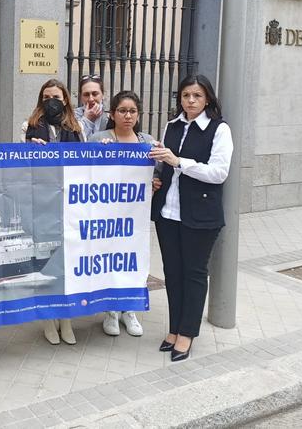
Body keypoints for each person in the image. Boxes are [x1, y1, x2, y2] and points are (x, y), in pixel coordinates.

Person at [149, 74, 233, 362]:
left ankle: (187, 334)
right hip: (167, 211)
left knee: (194, 273)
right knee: (173, 273)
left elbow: (218, 173)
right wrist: (157, 176)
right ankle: (174, 329)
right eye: (186, 95)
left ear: (207, 98)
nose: (191, 101)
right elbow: (163, 163)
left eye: (197, 95)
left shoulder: (219, 129)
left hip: (200, 213)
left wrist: (179, 162)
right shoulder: (172, 125)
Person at [23, 78, 83, 345]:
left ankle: (66, 318)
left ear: (65, 99)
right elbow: (23, 167)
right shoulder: (32, 126)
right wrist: (30, 150)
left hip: (69, 202)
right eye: (46, 97)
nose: (51, 101)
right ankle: (48, 318)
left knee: (67, 259)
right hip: (43, 203)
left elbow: (85, 161)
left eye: (56, 96)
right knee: (47, 259)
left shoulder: (75, 127)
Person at [89, 90, 152, 338]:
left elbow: (156, 173)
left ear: (138, 114)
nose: (127, 116)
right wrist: (99, 154)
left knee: (133, 261)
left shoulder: (146, 140)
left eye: (132, 111)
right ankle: (111, 311)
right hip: (106, 216)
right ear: (112, 114)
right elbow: (85, 174)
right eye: (122, 111)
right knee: (109, 261)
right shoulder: (99, 138)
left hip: (134, 217)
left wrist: (155, 182)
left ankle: (130, 310)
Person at [74, 74, 110, 139]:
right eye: (86, 95)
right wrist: (87, 119)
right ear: (81, 97)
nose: (91, 99)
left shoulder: (110, 118)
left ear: (103, 95)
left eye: (95, 94)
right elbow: (76, 141)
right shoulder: (72, 116)